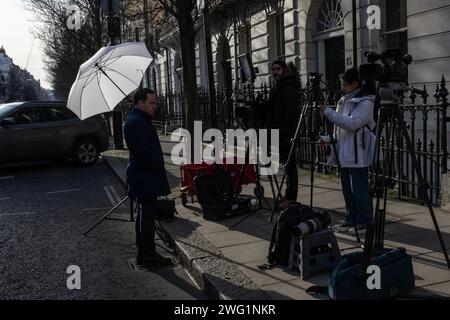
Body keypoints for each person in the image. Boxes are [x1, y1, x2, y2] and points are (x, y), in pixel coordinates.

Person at [320, 68, 377, 234]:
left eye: (345, 84)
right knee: (347, 190)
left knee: (359, 191)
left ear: (355, 84)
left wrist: (328, 112)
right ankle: (351, 219)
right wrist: (327, 139)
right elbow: (340, 130)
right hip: (344, 154)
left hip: (359, 154)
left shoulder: (366, 102)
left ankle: (364, 222)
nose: (342, 88)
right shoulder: (344, 100)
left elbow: (351, 124)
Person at [124, 88, 172, 267]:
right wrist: (158, 165)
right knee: (147, 216)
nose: (155, 106)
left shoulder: (139, 120)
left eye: (155, 102)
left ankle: (144, 253)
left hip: (142, 175)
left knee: (143, 214)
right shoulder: (137, 123)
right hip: (144, 176)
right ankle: (148, 254)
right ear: (140, 103)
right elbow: (143, 152)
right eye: (151, 103)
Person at [266, 60, 301, 209]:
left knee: (290, 168)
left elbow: (291, 112)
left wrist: (285, 133)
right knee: (287, 167)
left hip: (286, 134)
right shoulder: (280, 85)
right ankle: (288, 195)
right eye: (273, 69)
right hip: (280, 133)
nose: (275, 72)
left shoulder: (288, 85)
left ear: (284, 70)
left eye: (278, 69)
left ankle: (291, 198)